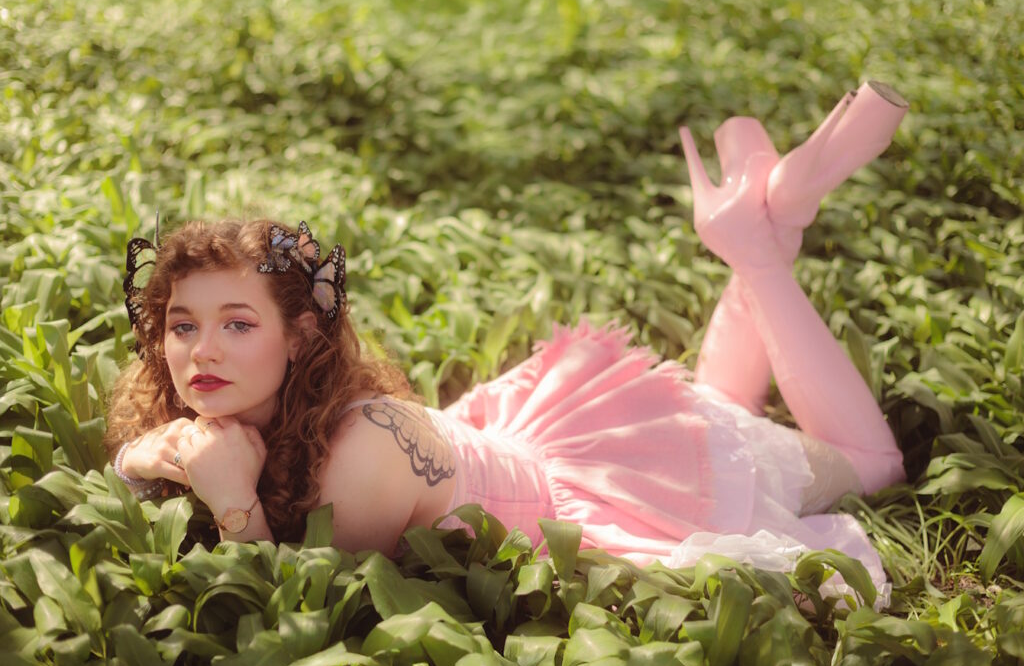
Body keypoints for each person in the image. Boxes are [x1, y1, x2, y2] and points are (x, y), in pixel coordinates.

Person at [106, 82, 908, 582]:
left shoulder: (356, 463)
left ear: (302, 335)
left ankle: (756, 249)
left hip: (597, 495)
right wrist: (135, 457)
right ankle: (764, 220)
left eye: (238, 324)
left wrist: (233, 500)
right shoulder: (244, 407)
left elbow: (290, 601)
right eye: (182, 325)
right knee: (721, 408)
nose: (201, 351)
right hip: (562, 443)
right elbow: (138, 477)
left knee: (872, 464)